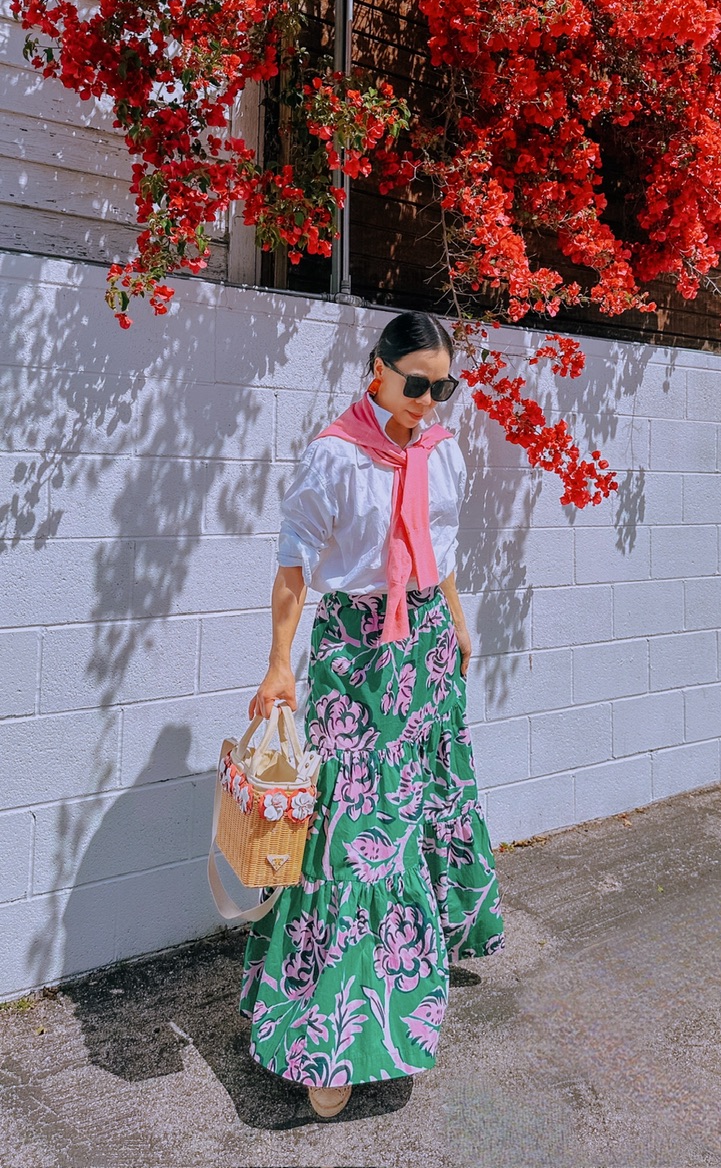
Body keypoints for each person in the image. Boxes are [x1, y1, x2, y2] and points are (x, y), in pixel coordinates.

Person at [243, 311, 505, 1119]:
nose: (427, 401)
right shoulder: (335, 457)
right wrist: (280, 664)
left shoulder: (443, 451)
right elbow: (293, 569)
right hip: (356, 651)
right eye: (415, 383)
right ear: (377, 371)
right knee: (353, 832)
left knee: (424, 792)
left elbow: (443, 551)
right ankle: (332, 1036)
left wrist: (457, 621)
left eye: (442, 387)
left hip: (423, 641)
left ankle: (424, 955)